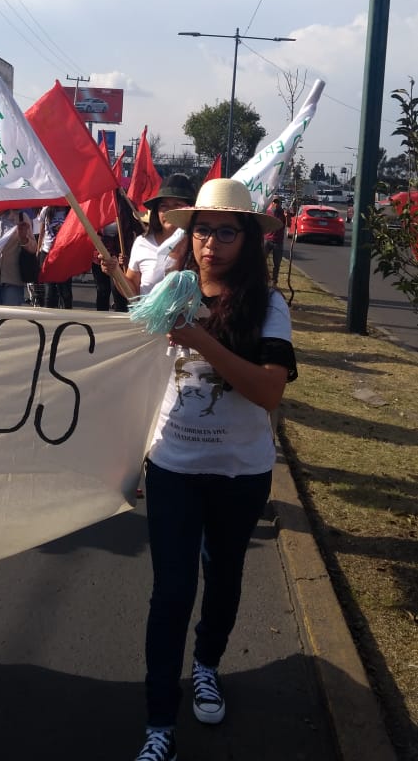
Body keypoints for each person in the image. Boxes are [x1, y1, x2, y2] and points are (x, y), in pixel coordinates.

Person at [133, 178, 297, 761]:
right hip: (173, 464)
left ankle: (206, 665)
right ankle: (159, 723)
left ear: (248, 239)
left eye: (226, 232)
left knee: (223, 578)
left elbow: (269, 391)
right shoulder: (168, 292)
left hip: (240, 473)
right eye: (202, 230)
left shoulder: (268, 306)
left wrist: (201, 339)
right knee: (172, 592)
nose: (211, 243)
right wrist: (129, 455)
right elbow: (136, 379)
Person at [102, 175, 196, 298]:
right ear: (156, 211)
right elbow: (133, 293)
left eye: (177, 205)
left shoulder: (200, 243)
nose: (169, 211)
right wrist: (115, 272)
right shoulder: (142, 242)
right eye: (164, 206)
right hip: (148, 317)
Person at [38, 205, 73, 309]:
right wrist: (38, 250)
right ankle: (49, 318)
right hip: (47, 253)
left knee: (65, 290)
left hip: (64, 254)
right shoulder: (46, 210)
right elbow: (42, 232)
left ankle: (67, 316)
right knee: (49, 290)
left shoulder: (71, 210)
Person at [264, 195, 286, 285]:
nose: (275, 204)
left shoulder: (283, 214)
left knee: (276, 263)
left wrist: (288, 216)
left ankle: (274, 280)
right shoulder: (268, 211)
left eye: (277, 202)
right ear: (271, 203)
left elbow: (288, 224)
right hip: (267, 240)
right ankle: (264, 277)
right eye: (274, 202)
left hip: (278, 242)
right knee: (261, 260)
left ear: (280, 203)